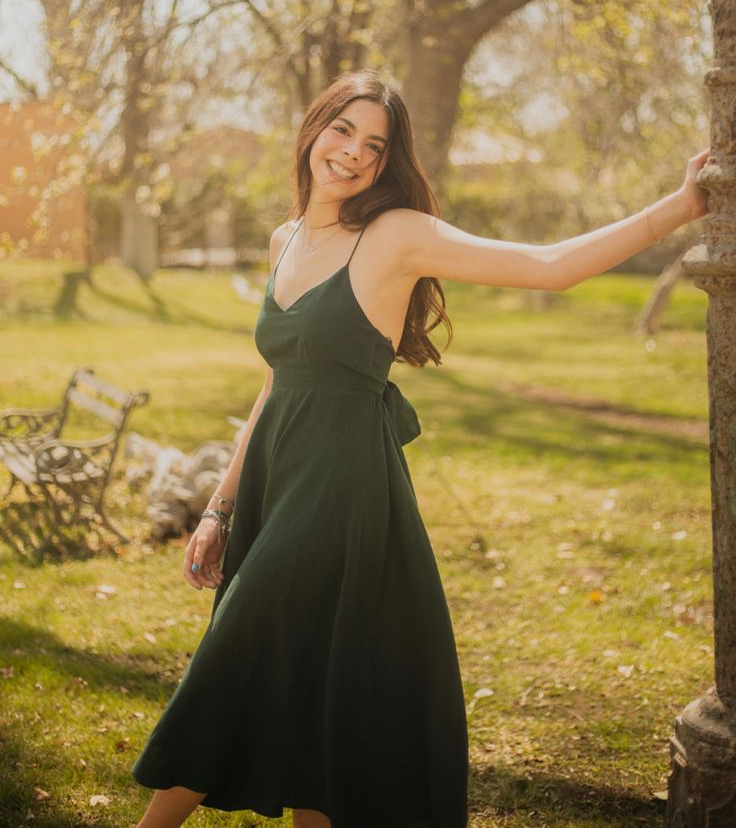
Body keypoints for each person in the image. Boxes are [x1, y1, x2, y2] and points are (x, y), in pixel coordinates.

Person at [131, 69, 709, 828]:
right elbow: (279, 383)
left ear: (387, 161)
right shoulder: (287, 238)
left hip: (343, 492)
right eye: (343, 129)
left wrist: (680, 207)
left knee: (235, 653)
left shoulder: (397, 235)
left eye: (375, 145)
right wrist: (218, 506)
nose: (353, 154)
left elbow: (548, 265)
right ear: (315, 128)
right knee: (319, 683)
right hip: (279, 481)